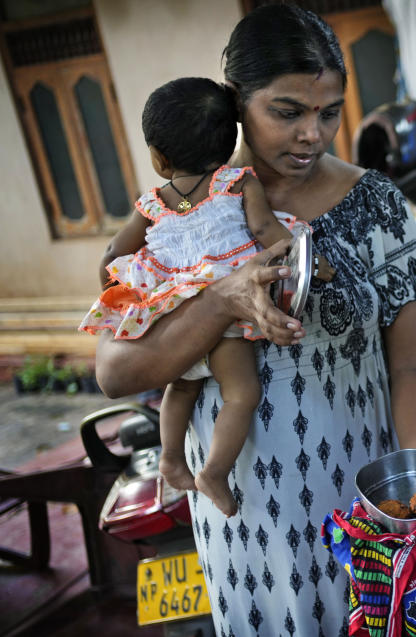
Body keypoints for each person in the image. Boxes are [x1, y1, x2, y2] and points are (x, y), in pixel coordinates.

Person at [92, 5, 416, 635]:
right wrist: (223, 299)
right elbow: (117, 374)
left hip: (364, 500)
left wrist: (414, 502)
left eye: (329, 112)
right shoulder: (177, 224)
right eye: (288, 112)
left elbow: (415, 365)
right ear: (235, 103)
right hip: (243, 517)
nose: (313, 134)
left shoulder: (379, 206)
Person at [80, 77, 329, 518]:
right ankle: (214, 470)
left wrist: (113, 286)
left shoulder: (152, 204)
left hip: (180, 315)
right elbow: (266, 232)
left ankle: (171, 456)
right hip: (230, 317)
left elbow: (114, 253)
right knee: (242, 394)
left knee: (181, 384)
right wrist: (312, 261)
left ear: (158, 156)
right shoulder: (237, 182)